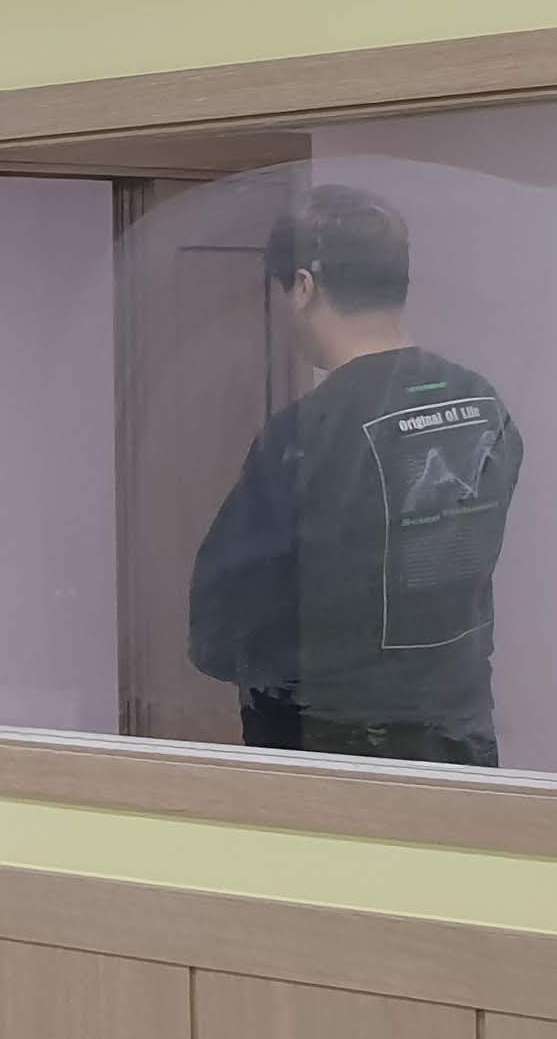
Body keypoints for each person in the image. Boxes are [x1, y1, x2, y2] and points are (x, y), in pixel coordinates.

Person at [185, 185, 522, 767]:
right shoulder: (481, 403)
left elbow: (220, 622)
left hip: (336, 744)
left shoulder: (310, 432)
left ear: (304, 287)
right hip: (458, 732)